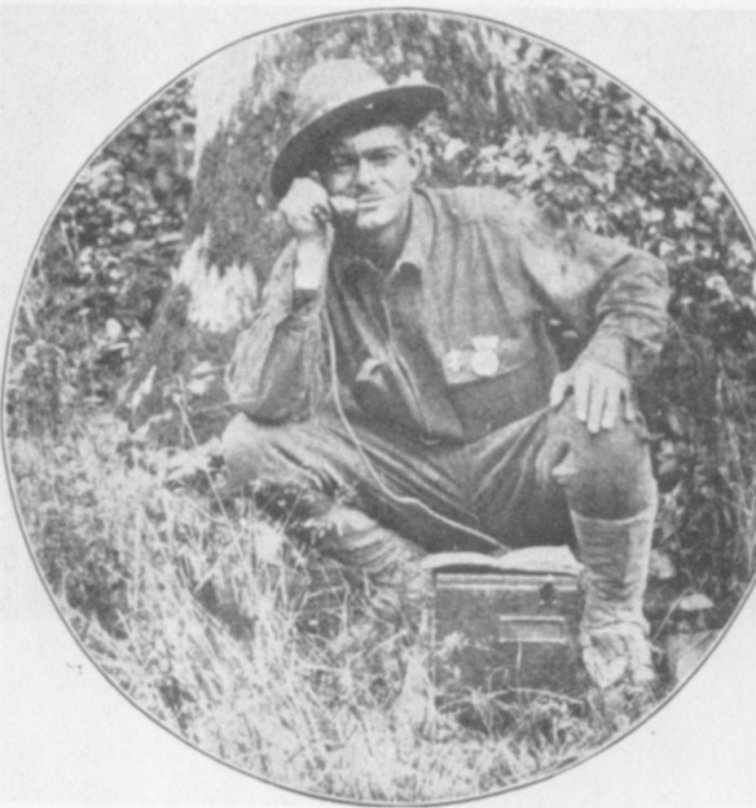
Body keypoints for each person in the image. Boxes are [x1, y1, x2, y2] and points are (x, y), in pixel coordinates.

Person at [223, 59, 670, 690]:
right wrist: (310, 262)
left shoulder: (491, 224)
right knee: (246, 448)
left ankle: (612, 623)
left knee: (602, 411)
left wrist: (608, 354)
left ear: (415, 162)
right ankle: (410, 585)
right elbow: (262, 402)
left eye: (382, 157)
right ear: (316, 184)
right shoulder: (308, 263)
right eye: (343, 165)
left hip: (520, 474)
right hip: (409, 490)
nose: (366, 178)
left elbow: (631, 273)